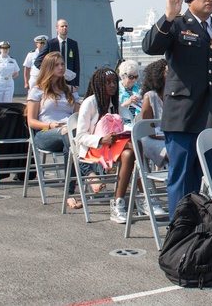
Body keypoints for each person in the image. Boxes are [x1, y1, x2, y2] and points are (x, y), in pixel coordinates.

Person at [143, 0, 212, 218]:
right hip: (182, 115)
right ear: (189, 1)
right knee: (182, 176)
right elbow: (150, 47)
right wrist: (168, 16)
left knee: (208, 175)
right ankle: (180, 230)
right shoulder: (176, 24)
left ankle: (201, 227)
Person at [75, 68, 146, 222]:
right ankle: (145, 196)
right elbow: (80, 136)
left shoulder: (115, 102)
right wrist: (101, 140)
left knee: (129, 153)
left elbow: (123, 123)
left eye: (114, 81)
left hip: (113, 146)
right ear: (99, 84)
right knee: (136, 146)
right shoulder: (89, 103)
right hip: (95, 148)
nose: (113, 85)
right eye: (108, 82)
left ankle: (118, 203)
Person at [26, 52, 81, 210]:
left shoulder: (70, 90)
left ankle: (80, 183)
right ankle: (75, 188)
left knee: (74, 137)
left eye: (62, 64)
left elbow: (78, 117)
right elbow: (31, 121)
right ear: (48, 68)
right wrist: (50, 126)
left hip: (69, 133)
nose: (61, 67)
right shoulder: (38, 90)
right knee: (68, 134)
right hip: (45, 133)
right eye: (57, 65)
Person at [138, 58, 169, 169]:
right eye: (168, 71)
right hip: (151, 138)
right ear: (159, 75)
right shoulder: (150, 97)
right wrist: (168, 137)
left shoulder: (175, 96)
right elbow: (148, 130)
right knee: (176, 154)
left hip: (170, 137)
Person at [35, 19, 80, 88]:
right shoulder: (50, 43)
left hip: (69, 81)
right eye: (62, 26)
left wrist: (76, 84)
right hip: (54, 81)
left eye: (66, 26)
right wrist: (50, 72)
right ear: (57, 28)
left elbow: (76, 64)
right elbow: (38, 62)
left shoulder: (73, 44)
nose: (64, 28)